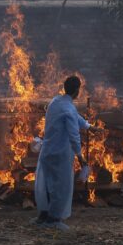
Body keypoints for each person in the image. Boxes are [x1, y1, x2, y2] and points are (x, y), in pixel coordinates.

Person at [33, 75, 90, 230]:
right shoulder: (69, 108)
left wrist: (88, 126)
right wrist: (80, 156)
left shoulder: (55, 102)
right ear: (77, 90)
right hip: (61, 153)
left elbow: (75, 117)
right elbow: (73, 135)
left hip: (47, 151)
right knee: (60, 187)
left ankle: (43, 216)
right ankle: (53, 220)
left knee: (46, 185)